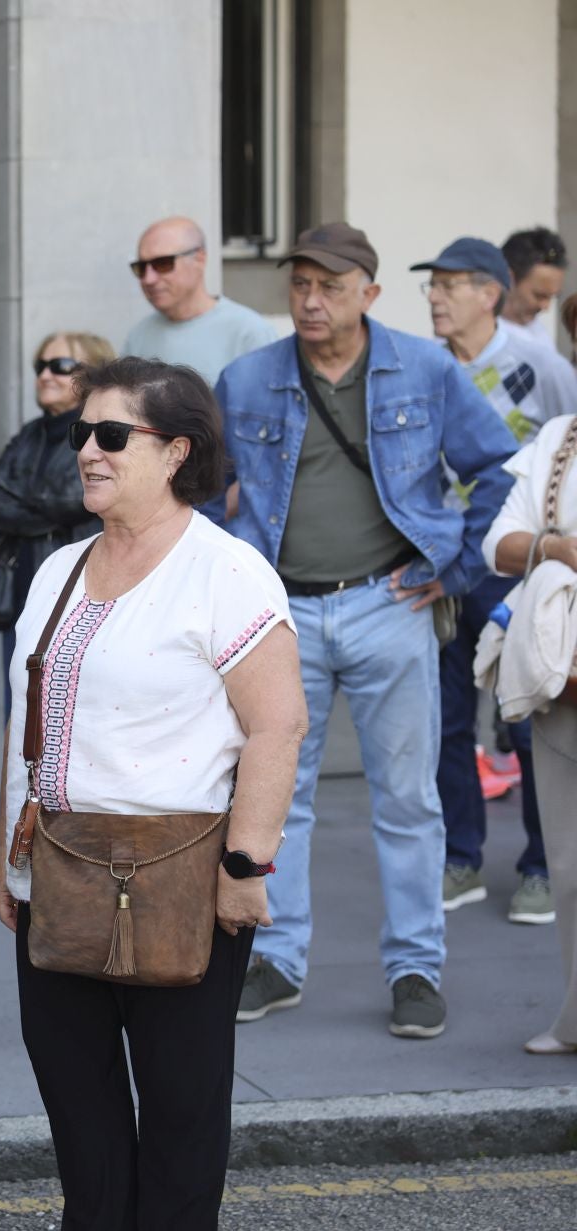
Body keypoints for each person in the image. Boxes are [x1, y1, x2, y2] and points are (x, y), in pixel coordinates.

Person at [0, 356, 307, 1231]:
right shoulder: (57, 568)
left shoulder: (228, 573)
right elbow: (27, 723)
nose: (86, 449)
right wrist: (6, 859)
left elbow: (278, 724)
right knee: (77, 1100)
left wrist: (245, 869)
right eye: (82, 432)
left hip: (180, 874)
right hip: (60, 867)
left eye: (111, 435)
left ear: (176, 451)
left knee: (179, 1109)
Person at [213, 222, 517, 1038]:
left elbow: (496, 468)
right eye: (301, 284)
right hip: (281, 616)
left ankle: (416, 967)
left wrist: (449, 570)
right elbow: (206, 490)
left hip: (391, 606)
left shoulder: (424, 368)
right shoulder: (245, 379)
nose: (312, 301)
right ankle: (277, 959)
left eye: (331, 287)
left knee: (409, 802)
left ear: (369, 295)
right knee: (279, 797)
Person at [413, 236, 576, 927]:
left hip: (516, 576)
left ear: (489, 293)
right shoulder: (418, 367)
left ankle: (540, 865)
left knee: (530, 711)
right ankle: (461, 857)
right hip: (437, 575)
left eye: (450, 285)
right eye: (432, 285)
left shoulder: (538, 364)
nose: (435, 297)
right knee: (447, 723)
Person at [479, 409, 577, 1053]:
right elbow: (498, 545)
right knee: (569, 868)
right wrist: (557, 547)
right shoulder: (560, 437)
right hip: (565, 676)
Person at [0, 330, 110, 708]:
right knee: (19, 710)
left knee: (67, 711)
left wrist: (22, 499)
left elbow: (73, 500)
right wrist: (43, 508)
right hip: (19, 595)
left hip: (77, 594)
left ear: (92, 374)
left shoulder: (100, 436)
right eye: (41, 366)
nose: (46, 375)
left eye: (61, 366)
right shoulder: (31, 434)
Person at [121, 215, 276, 385]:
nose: (148, 279)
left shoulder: (249, 333)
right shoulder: (138, 336)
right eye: (141, 267)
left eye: (163, 263)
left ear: (199, 259)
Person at [500, 226, 568, 332]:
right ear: (508, 278)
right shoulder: (472, 335)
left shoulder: (540, 337)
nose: (546, 307)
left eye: (552, 297)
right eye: (539, 296)